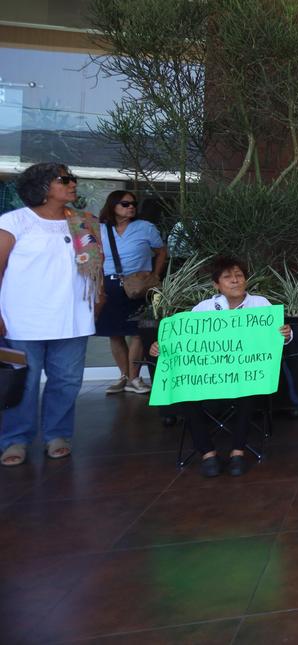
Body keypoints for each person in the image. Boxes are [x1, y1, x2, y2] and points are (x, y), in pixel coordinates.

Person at [149, 255, 292, 477]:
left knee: (248, 389)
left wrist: (286, 334)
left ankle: (238, 452)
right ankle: (207, 453)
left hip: (245, 377)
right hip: (210, 380)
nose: (235, 280)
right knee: (187, 393)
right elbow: (185, 342)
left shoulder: (261, 305)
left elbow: (276, 340)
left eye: (239, 276)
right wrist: (161, 347)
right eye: (228, 277)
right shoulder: (203, 309)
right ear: (217, 284)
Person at [0, 163, 104, 467]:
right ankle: (15, 439)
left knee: (67, 381)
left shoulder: (84, 222)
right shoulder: (15, 222)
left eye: (73, 179)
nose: (73, 184)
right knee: (24, 383)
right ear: (44, 187)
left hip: (73, 319)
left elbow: (98, 267)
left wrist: (98, 301)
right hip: (22, 321)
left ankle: (57, 434)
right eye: (65, 180)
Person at [95, 189, 167, 395]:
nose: (131, 207)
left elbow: (161, 251)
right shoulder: (100, 229)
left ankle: (135, 378)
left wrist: (155, 274)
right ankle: (124, 376)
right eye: (125, 204)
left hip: (139, 284)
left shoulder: (145, 227)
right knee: (114, 333)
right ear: (113, 206)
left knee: (138, 331)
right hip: (110, 283)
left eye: (133, 203)